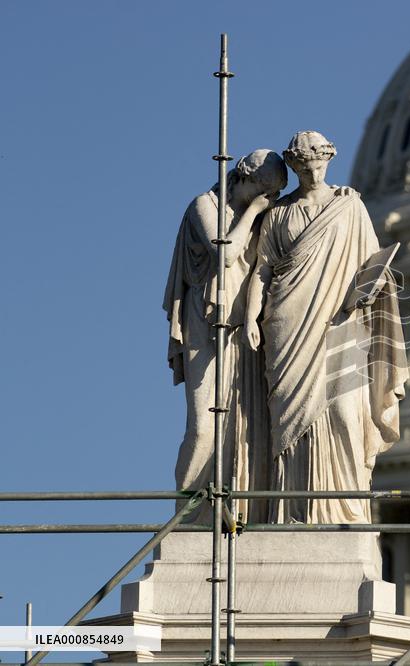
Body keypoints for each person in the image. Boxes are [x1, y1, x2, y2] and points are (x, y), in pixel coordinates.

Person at [245, 131, 407, 524]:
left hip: (342, 323)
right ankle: (292, 511)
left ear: (329, 162)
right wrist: (250, 316)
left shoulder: (350, 207)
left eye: (319, 166)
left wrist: (372, 291)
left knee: (346, 416)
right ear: (295, 167)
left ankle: (345, 509)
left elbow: (375, 265)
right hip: (287, 324)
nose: (313, 173)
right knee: (289, 424)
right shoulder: (279, 214)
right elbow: (263, 269)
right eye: (305, 168)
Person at [164, 149, 286, 522]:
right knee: (203, 428)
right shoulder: (205, 205)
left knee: (241, 430)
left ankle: (230, 511)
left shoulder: (262, 215)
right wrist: (252, 211)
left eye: (276, 194)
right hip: (206, 326)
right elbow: (226, 255)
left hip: (244, 332)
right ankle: (187, 518)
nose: (271, 201)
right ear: (245, 179)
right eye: (266, 190)